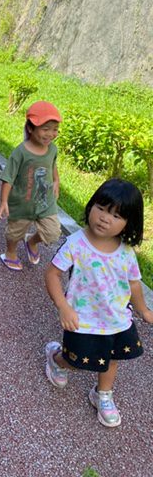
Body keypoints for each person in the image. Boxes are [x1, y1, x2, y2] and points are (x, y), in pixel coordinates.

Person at [44, 178, 153, 428]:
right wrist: (63, 306)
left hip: (116, 319)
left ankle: (103, 394)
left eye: (116, 215)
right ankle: (57, 359)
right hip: (82, 320)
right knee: (76, 360)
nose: (104, 218)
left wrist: (144, 310)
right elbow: (52, 274)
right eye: (101, 208)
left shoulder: (126, 251)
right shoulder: (76, 244)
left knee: (112, 359)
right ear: (91, 206)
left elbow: (134, 284)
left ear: (129, 223)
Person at [0, 101, 62, 271]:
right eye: (45, 129)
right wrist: (3, 201)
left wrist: (56, 180)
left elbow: (52, 165)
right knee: (14, 233)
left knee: (53, 232)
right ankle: (10, 253)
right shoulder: (20, 152)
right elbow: (8, 177)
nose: (51, 134)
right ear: (31, 128)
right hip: (22, 203)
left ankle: (31, 241)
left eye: (55, 129)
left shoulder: (52, 149)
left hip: (45, 202)